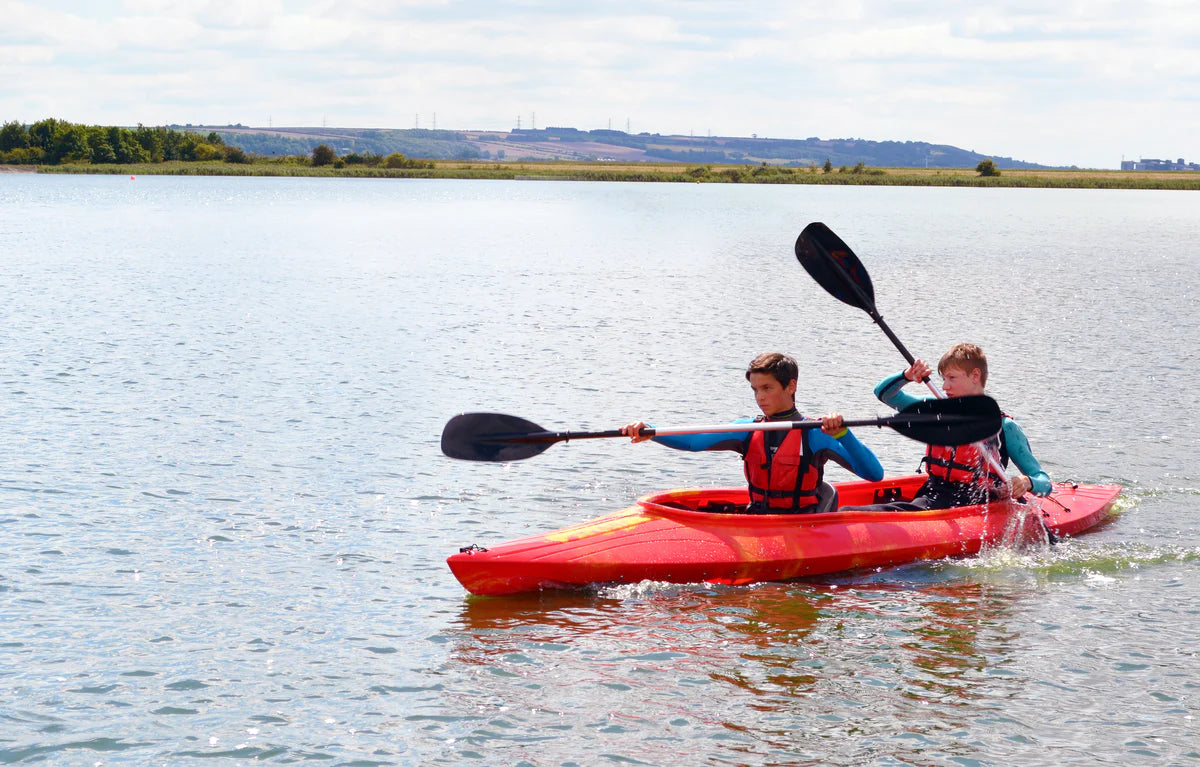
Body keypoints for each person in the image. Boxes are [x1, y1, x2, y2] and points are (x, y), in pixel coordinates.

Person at [620, 352, 884, 514]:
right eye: (755, 389)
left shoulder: (815, 433)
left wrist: (843, 434)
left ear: (791, 386)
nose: (760, 397)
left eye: (767, 388)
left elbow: (874, 474)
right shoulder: (748, 430)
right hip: (759, 516)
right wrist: (651, 432)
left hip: (801, 523)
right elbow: (694, 442)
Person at [862, 343, 1050, 510]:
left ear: (975, 376)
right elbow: (884, 394)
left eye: (952, 378)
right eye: (943, 379)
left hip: (977, 504)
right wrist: (907, 375)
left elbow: (1044, 481)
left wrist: (1027, 482)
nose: (944, 386)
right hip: (932, 495)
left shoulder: (1005, 427)